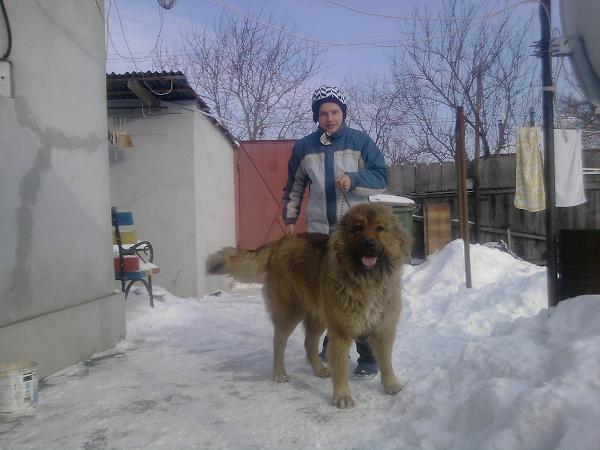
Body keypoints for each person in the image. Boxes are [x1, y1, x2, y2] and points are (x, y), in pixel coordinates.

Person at [282, 85, 388, 378]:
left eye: (335, 112)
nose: (329, 118)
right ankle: (333, 343)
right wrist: (290, 217)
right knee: (329, 293)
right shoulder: (304, 146)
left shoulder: (360, 142)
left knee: (359, 294)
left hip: (356, 238)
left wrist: (353, 180)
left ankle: (367, 356)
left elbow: (381, 178)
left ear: (343, 113)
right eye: (323, 113)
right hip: (321, 235)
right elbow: (294, 186)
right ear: (316, 116)